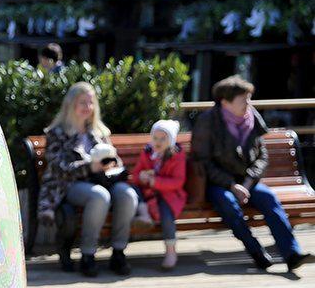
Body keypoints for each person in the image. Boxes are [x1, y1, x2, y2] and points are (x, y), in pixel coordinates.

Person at [192, 75, 311, 272]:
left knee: (269, 198)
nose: (248, 104)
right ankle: (256, 252)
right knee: (228, 203)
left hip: (247, 181)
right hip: (218, 183)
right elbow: (202, 162)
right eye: (243, 100)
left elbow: (262, 155)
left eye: (249, 99)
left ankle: (292, 254)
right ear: (225, 102)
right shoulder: (207, 122)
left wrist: (248, 181)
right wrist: (232, 186)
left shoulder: (252, 117)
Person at [37, 82, 138, 277]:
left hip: (103, 180)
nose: (88, 107)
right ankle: (88, 254)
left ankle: (119, 252)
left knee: (127, 194)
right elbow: (58, 168)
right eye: (83, 102)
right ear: (71, 104)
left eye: (91, 103)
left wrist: (110, 164)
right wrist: (89, 167)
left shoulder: (99, 132)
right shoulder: (57, 133)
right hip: (68, 185)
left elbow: (115, 159)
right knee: (99, 196)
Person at [130, 119, 187, 271]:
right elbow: (135, 174)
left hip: (168, 194)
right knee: (133, 189)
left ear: (171, 140)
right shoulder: (148, 152)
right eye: (155, 138)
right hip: (148, 192)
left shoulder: (176, 155)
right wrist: (141, 176)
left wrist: (155, 181)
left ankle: (171, 251)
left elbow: (178, 181)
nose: (158, 142)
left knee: (166, 214)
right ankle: (144, 215)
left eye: (163, 139)